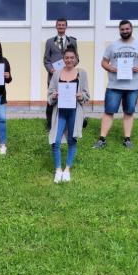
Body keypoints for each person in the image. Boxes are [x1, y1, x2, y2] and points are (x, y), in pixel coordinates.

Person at [92, 20, 138, 150]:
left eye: (127, 29)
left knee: (129, 112)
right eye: (122, 29)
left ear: (131, 29)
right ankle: (102, 139)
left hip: (133, 86)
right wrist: (110, 68)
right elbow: (104, 62)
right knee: (109, 111)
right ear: (119, 30)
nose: (125, 31)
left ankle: (127, 139)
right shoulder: (113, 45)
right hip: (114, 85)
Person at [47, 47, 90, 183]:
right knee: (55, 141)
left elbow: (87, 95)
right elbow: (50, 93)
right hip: (60, 113)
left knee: (72, 141)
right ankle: (58, 170)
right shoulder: (57, 74)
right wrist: (53, 96)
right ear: (63, 59)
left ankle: (67, 170)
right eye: (67, 58)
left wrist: (80, 95)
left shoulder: (81, 74)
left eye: (72, 57)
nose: (69, 60)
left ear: (76, 58)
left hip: (74, 112)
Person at [44, 18, 77, 131]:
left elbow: (76, 58)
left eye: (63, 25)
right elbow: (46, 60)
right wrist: (51, 70)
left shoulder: (72, 41)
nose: (61, 27)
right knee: (52, 99)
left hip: (68, 77)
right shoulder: (49, 42)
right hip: (54, 76)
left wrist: (71, 66)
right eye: (59, 25)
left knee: (68, 99)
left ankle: (68, 123)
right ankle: (50, 124)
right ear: (56, 27)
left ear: (66, 27)